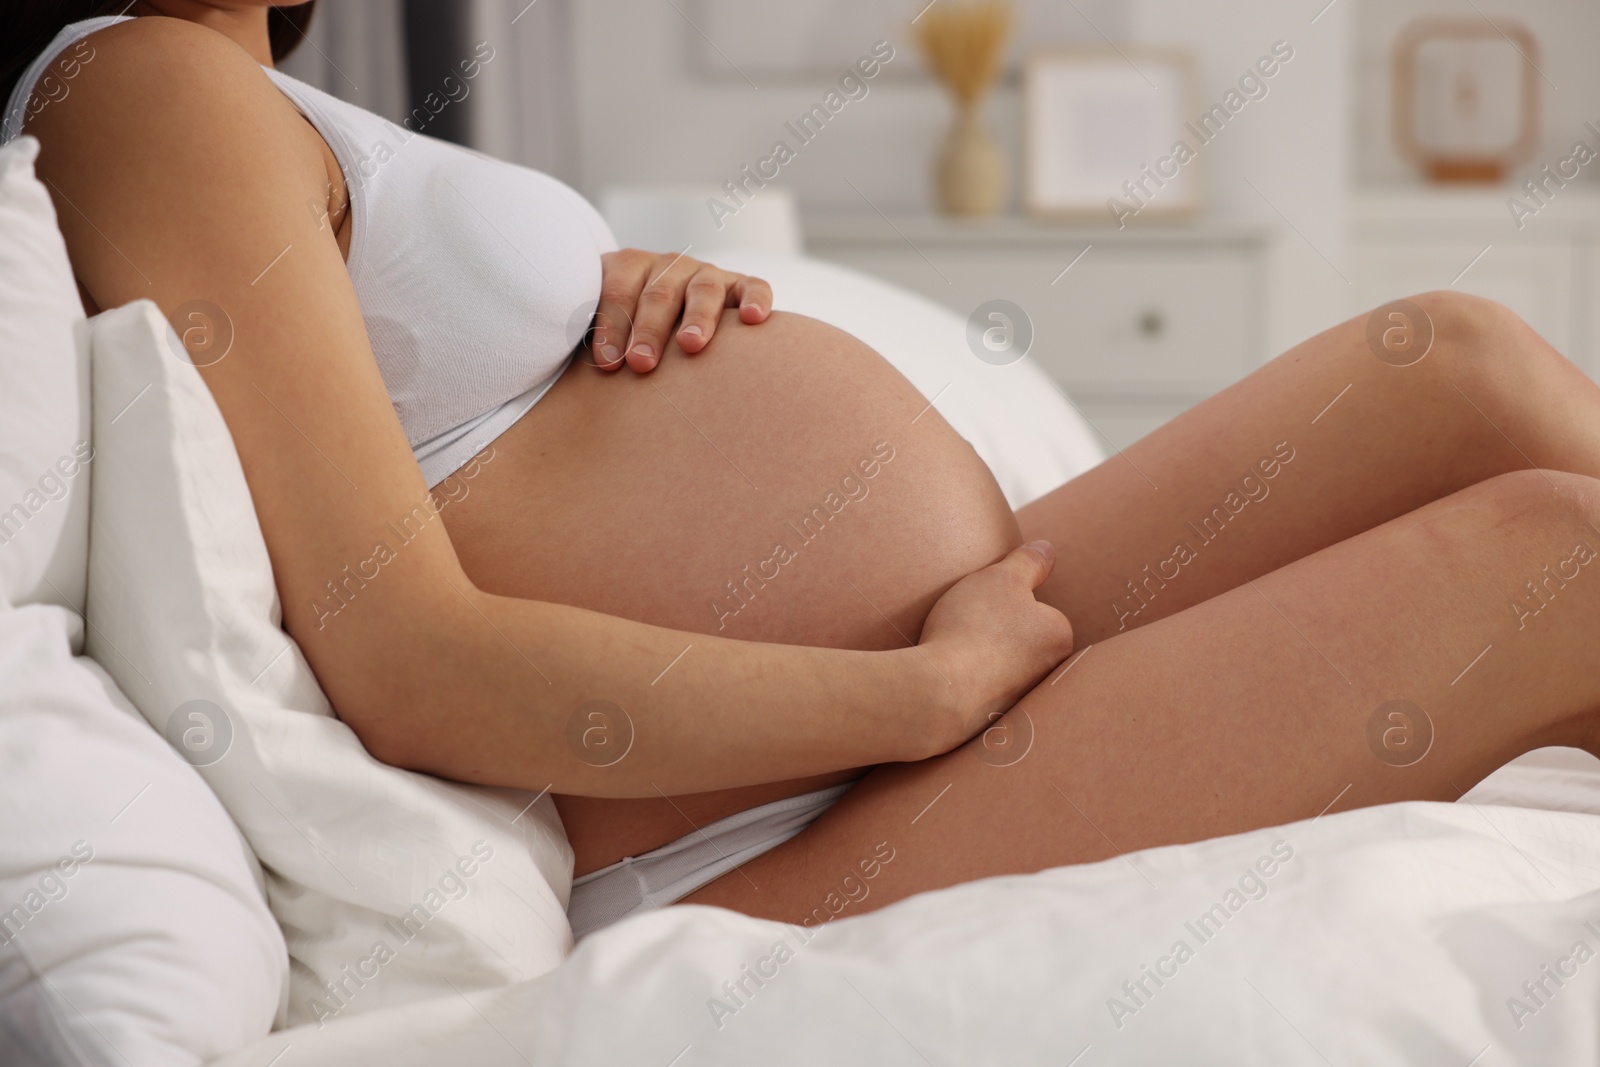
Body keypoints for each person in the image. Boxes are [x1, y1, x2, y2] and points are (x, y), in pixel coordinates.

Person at [7, 0, 1600, 939]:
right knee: (1563, 569)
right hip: (764, 816)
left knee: (1455, 365)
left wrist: (588, 291)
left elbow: (413, 408)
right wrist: (922, 696)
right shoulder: (145, 78)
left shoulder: (268, 105)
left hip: (898, 699)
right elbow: (412, 662)